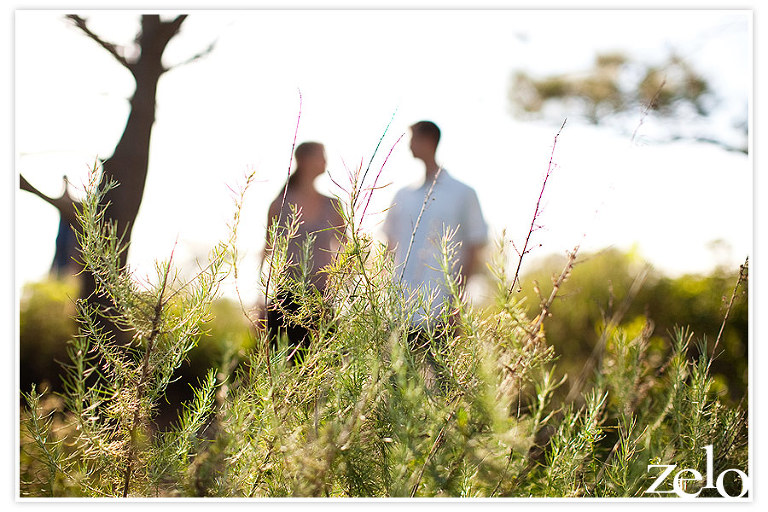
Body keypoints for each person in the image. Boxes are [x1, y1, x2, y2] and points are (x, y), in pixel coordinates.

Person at [382, 121, 488, 348]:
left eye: (413, 139)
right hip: (399, 309)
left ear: (428, 141)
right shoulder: (402, 195)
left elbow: (474, 247)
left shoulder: (462, 193)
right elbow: (389, 248)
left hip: (441, 308)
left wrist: (457, 303)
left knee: (441, 381)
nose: (409, 145)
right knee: (397, 382)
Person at [263, 142, 345, 363]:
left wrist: (339, 282)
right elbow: (267, 252)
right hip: (284, 302)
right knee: (282, 371)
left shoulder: (334, 205)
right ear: (304, 160)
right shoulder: (279, 205)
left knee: (320, 373)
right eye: (321, 156)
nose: (325, 161)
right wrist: (259, 301)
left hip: (321, 299)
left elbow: (349, 249)